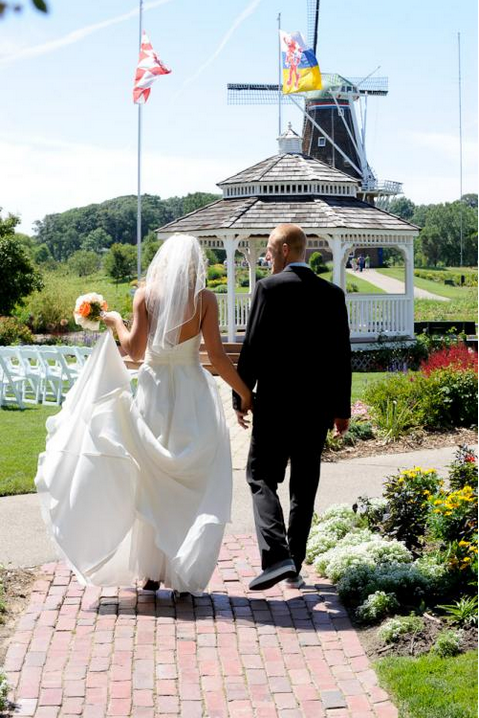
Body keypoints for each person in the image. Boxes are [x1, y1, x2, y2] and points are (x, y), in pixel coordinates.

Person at [35, 234, 252, 596]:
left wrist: (116, 322)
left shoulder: (146, 296)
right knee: (190, 483)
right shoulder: (205, 300)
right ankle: (182, 569)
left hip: (154, 392)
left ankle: (152, 573)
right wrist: (244, 392)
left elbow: (134, 352)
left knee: (151, 478)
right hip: (192, 394)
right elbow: (216, 357)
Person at [233, 224, 351, 591]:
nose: (267, 256)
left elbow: (252, 346)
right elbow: (340, 356)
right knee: (304, 486)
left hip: (276, 406)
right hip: (315, 408)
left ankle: (277, 556)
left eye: (269, 249)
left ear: (285, 249)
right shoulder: (332, 294)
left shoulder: (268, 289)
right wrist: (341, 409)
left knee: (260, 476)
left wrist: (242, 396)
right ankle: (294, 567)